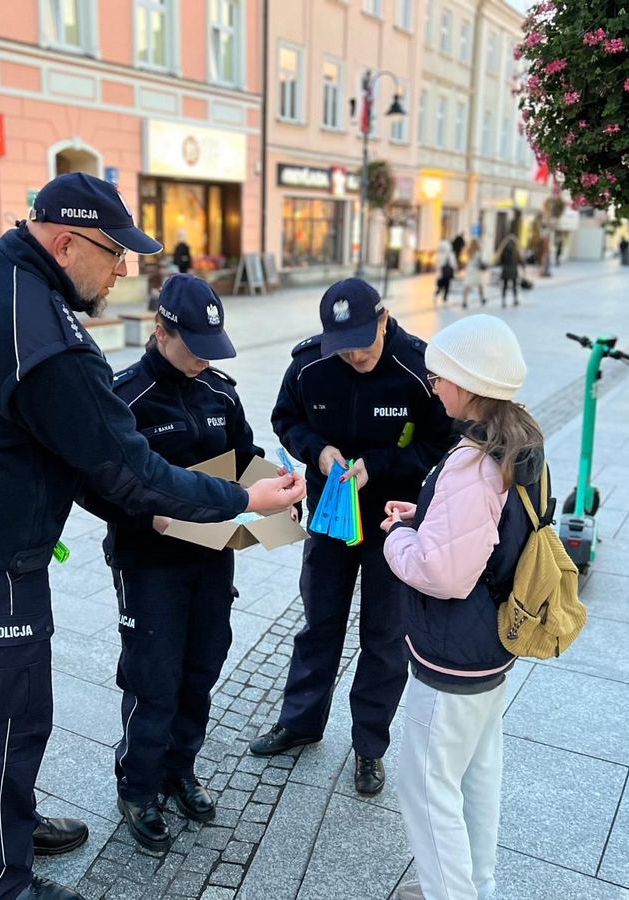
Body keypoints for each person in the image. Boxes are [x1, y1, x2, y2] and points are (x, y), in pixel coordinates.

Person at [0, 172, 305, 900]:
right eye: (114, 253)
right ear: (64, 243)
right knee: (5, 719)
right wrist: (244, 500)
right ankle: (1, 883)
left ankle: (10, 824)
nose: (123, 271)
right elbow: (131, 476)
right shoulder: (51, 344)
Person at [248, 278, 454, 796]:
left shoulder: (418, 368)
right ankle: (300, 721)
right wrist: (316, 451)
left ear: (383, 320)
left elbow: (441, 441)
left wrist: (377, 465)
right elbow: (285, 418)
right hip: (331, 514)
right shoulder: (310, 365)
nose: (355, 357)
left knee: (385, 634)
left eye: (363, 345)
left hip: (391, 519)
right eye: (343, 349)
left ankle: (369, 745)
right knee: (319, 621)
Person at [98, 274, 274, 851]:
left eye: (211, 348)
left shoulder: (220, 393)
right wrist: (143, 516)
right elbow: (100, 483)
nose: (203, 360)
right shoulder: (126, 398)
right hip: (149, 564)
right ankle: (138, 786)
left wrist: (278, 483)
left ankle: (180, 770)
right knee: (153, 678)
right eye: (193, 347)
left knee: (201, 668)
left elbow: (245, 459)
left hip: (213, 555)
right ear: (161, 330)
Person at [380, 315, 544, 900]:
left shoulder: (472, 463)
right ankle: (476, 885)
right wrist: (426, 516)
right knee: (477, 772)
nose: (432, 385)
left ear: (469, 383)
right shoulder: (520, 439)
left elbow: (443, 575)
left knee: (427, 788)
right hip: (491, 642)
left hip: (453, 651)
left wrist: (398, 538)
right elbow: (490, 533)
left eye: (439, 376)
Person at [495, 230, 523, 308]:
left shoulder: (503, 250)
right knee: (514, 286)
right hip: (513, 270)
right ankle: (515, 300)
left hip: (505, 270)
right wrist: (523, 267)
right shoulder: (516, 250)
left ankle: (503, 301)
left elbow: (499, 261)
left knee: (504, 286)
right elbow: (520, 260)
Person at [461, 238, 487, 309]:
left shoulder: (468, 251)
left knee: (467, 285)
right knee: (480, 285)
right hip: (477, 270)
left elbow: (464, 261)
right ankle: (482, 298)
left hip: (470, 270)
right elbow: (482, 261)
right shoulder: (479, 252)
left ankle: (464, 301)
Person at [434, 237, 457, 304]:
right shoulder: (450, 254)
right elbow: (453, 264)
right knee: (447, 286)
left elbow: (436, 264)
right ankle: (445, 298)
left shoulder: (439, 254)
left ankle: (436, 295)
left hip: (440, 274)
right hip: (447, 273)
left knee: (440, 286)